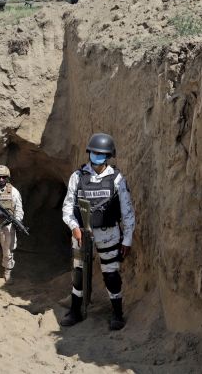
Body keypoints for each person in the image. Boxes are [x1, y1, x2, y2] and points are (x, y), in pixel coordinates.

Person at [59, 133, 135, 331]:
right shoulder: (77, 177)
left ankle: (117, 313)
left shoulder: (116, 179)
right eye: (94, 152)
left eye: (101, 154)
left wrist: (127, 239)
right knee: (78, 273)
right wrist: (74, 227)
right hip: (81, 234)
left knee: (111, 274)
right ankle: (75, 311)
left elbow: (127, 211)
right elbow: (67, 207)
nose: (97, 156)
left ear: (109, 156)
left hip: (108, 234)